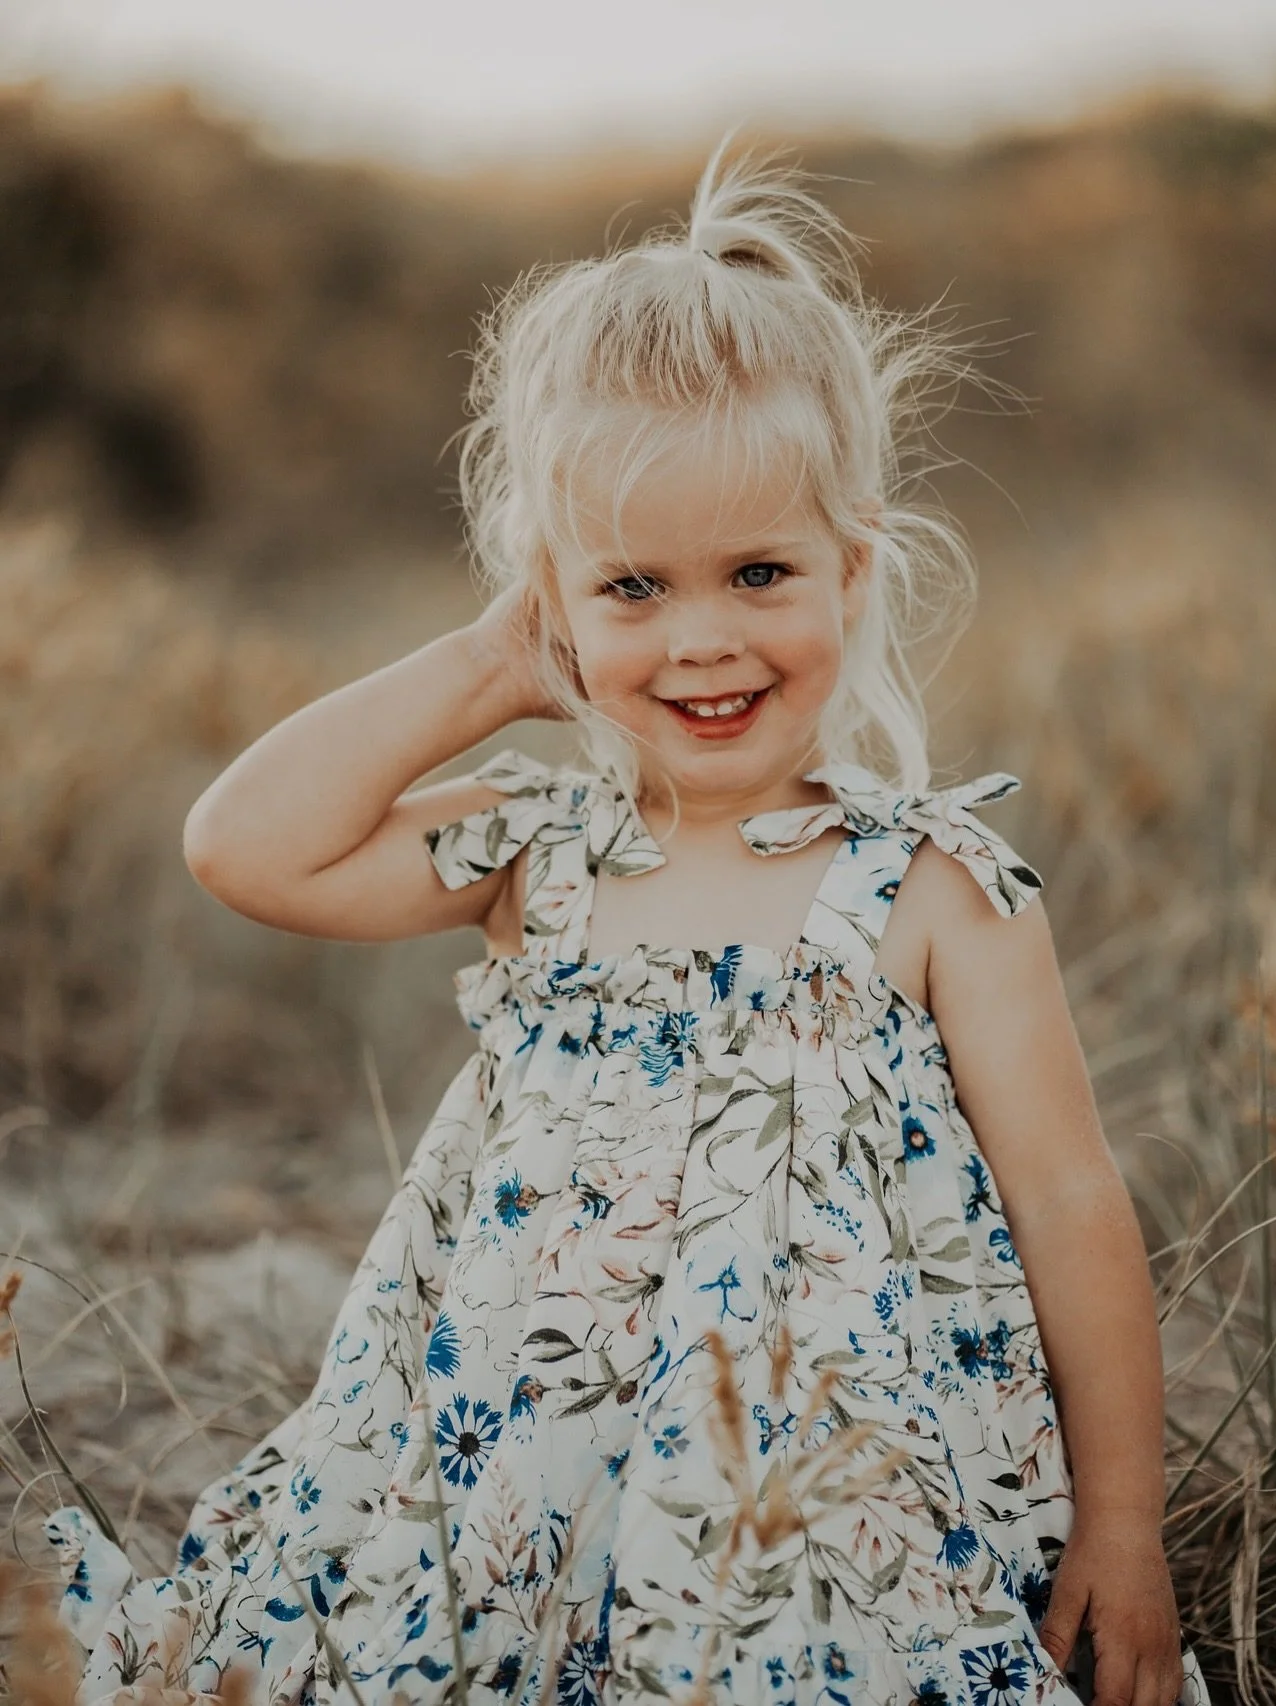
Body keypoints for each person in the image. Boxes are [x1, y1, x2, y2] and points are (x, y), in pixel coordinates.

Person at [45, 138, 1211, 1706]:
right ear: (555, 601)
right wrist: (488, 669)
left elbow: (1074, 1205)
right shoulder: (542, 852)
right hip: (513, 1502)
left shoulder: (931, 886)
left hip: (820, 1523)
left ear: (855, 571)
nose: (705, 638)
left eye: (759, 571)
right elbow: (242, 845)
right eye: (634, 590)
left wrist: (1124, 1531)